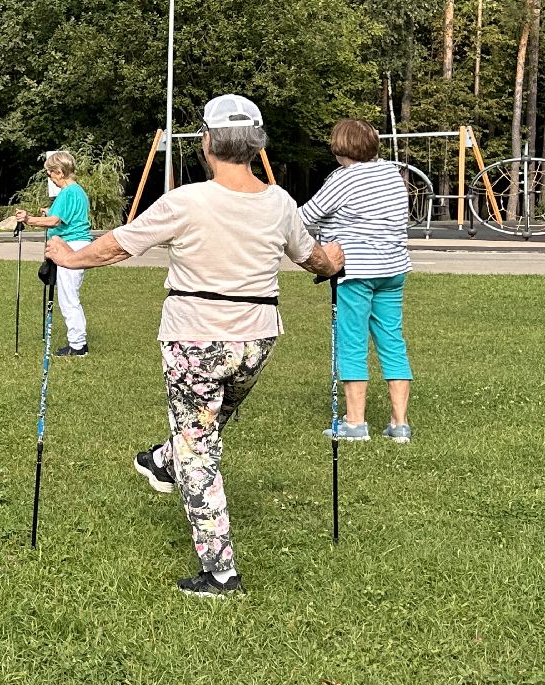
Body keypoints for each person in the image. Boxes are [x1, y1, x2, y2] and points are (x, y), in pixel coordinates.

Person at [44, 95, 344, 598]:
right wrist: (333, 261)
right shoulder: (280, 202)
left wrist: (69, 258)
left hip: (195, 338)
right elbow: (314, 258)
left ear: (207, 142)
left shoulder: (188, 200)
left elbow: (119, 243)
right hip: (256, 341)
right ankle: (164, 461)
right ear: (257, 144)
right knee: (203, 425)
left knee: (198, 446)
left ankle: (220, 572)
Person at [299, 118, 414, 444]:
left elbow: (305, 216)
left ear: (340, 147)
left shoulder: (343, 179)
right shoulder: (391, 173)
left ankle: (355, 422)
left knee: (351, 342)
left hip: (356, 273)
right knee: (392, 340)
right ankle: (399, 423)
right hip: (393, 269)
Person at [14, 150, 93, 356]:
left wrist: (28, 219)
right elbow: (64, 216)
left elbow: (55, 221)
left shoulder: (67, 192)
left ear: (59, 171)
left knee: (69, 297)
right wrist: (48, 212)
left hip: (71, 247)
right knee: (69, 295)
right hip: (76, 245)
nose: (49, 176)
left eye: (50, 172)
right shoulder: (78, 191)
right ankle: (77, 342)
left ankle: (78, 345)